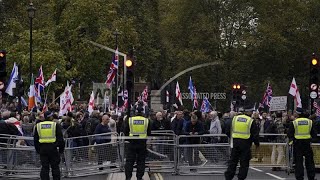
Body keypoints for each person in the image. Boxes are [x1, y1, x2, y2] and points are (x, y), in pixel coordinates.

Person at [224, 112, 260, 180]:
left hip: (235, 143)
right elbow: (255, 134)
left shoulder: (234, 118)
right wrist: (257, 144)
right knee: (244, 163)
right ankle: (241, 178)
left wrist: (232, 137)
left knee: (233, 161)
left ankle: (228, 177)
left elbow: (227, 130)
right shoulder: (250, 120)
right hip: (245, 144)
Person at [34, 111, 65, 180]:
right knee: (55, 167)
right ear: (50, 117)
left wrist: (38, 150)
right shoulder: (55, 125)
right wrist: (61, 150)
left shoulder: (38, 126)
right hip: (53, 148)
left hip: (43, 148)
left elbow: (35, 139)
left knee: (44, 167)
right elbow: (60, 139)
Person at [287, 108, 317, 180]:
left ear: (297, 114)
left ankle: (299, 177)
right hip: (307, 143)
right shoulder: (310, 122)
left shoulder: (294, 122)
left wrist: (292, 142)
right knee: (309, 161)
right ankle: (311, 177)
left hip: (298, 144)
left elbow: (289, 134)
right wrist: (311, 140)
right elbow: (314, 134)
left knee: (298, 162)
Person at [124, 106, 151, 180]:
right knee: (141, 161)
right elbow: (149, 132)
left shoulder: (130, 120)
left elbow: (126, 131)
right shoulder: (146, 120)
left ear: (135, 112)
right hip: (142, 143)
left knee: (129, 161)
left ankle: (128, 177)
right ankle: (139, 177)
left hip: (132, 142)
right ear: (142, 112)